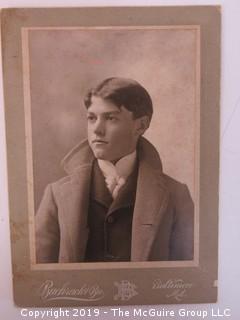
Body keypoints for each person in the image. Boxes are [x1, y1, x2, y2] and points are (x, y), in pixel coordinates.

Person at [35, 77, 194, 263]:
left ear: (141, 125)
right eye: (92, 118)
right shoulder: (56, 194)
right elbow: (40, 278)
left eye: (111, 118)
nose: (97, 130)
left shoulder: (175, 196)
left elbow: (185, 278)